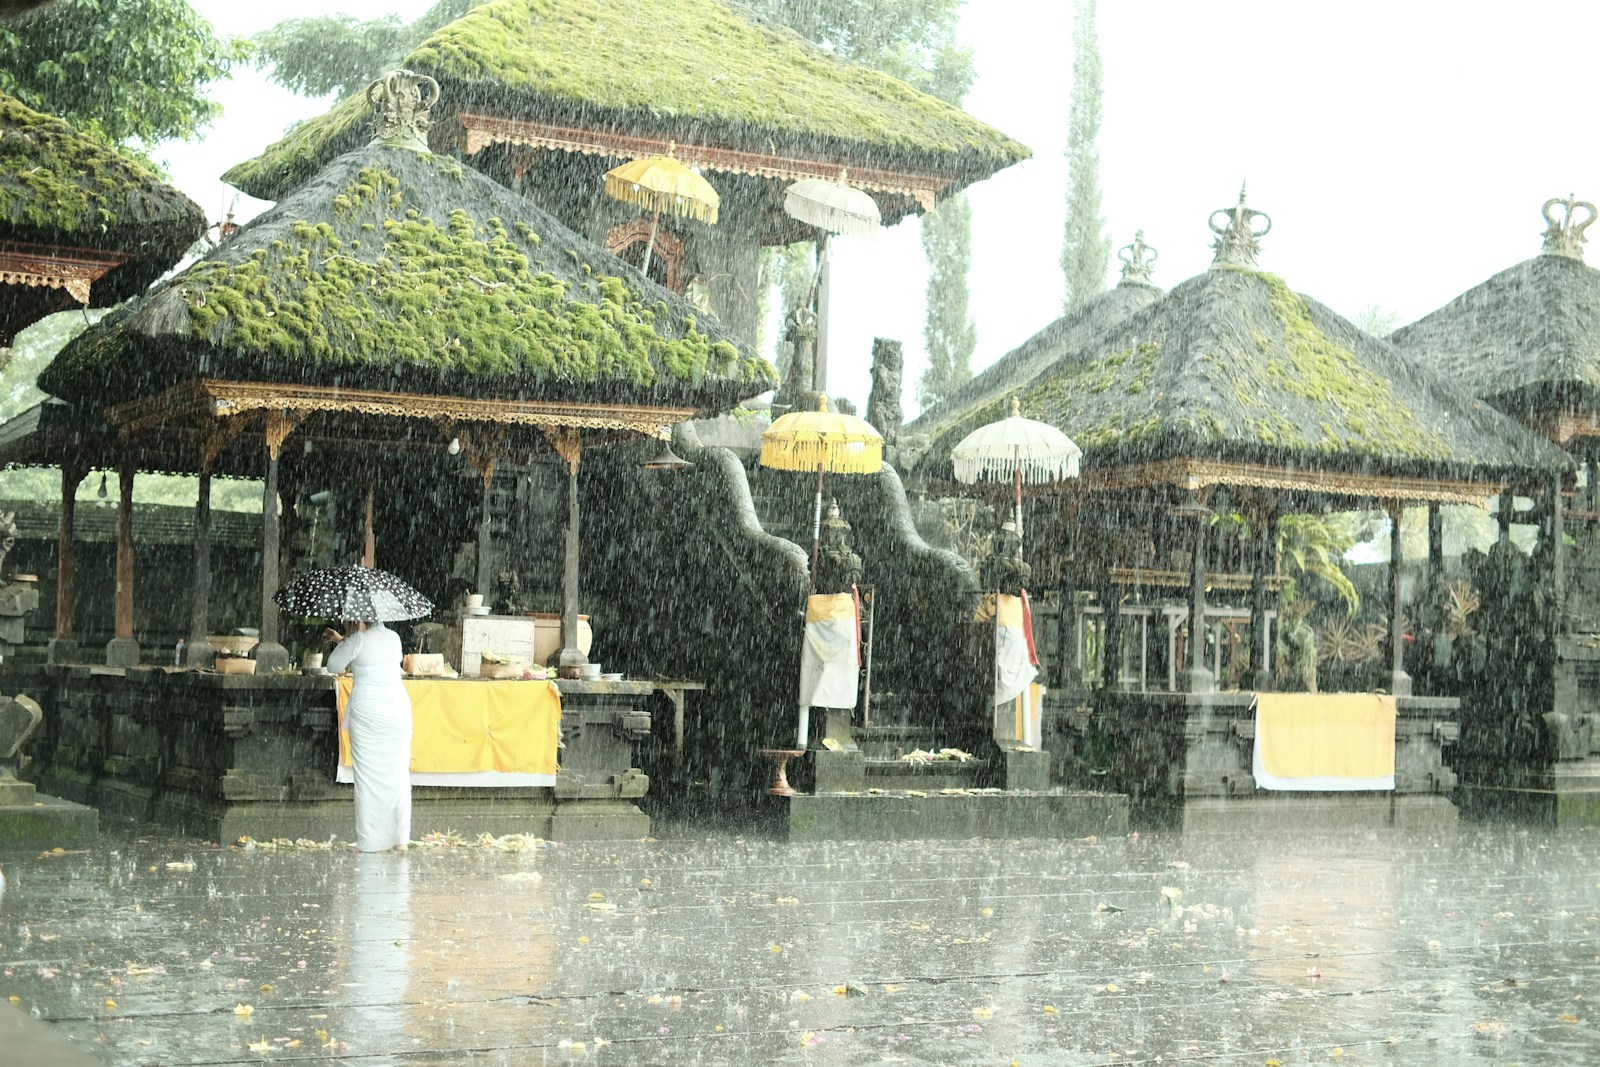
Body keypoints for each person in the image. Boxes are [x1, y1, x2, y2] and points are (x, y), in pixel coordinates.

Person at [325, 619, 412, 852]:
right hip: (398, 711)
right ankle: (400, 839)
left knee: (367, 778)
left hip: (369, 713)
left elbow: (333, 665)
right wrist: (347, 640)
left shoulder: (358, 640)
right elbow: (374, 654)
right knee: (398, 774)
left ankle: (369, 841)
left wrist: (348, 640)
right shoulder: (394, 638)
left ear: (360, 617)